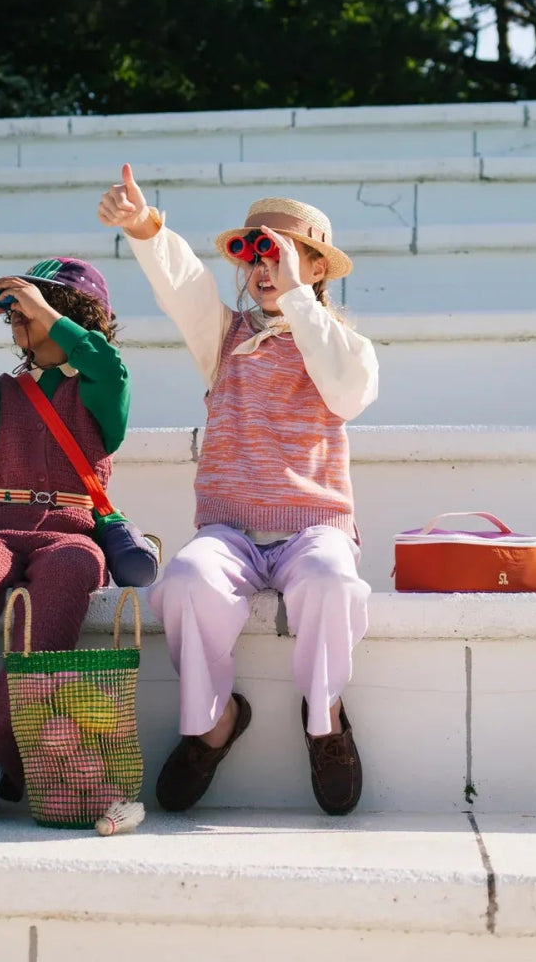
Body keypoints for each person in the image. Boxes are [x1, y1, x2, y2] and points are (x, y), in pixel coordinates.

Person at [98, 166, 378, 816]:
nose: (262, 266)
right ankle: (212, 722)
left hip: (315, 528)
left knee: (332, 583)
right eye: (254, 251)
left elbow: (346, 393)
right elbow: (183, 286)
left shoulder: (344, 346)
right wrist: (145, 227)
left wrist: (298, 301)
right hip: (229, 530)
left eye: (280, 253)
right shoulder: (225, 338)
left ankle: (325, 713)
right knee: (187, 581)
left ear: (315, 267)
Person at [0, 257, 129, 814]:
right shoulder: (5, 393)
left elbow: (105, 363)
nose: (17, 324)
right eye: (15, 316)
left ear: (69, 316)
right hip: (0, 525)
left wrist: (43, 310)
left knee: (68, 579)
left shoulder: (101, 386)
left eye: (29, 314)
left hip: (73, 531)